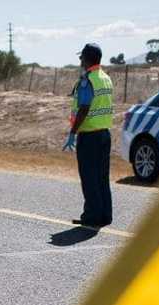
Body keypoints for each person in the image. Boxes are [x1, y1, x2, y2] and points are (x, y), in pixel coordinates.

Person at [63, 43, 114, 227]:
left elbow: (84, 108)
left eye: (81, 57)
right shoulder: (105, 78)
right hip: (104, 134)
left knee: (89, 177)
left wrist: (72, 132)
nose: (79, 60)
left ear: (86, 59)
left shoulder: (88, 80)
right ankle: (105, 215)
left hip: (89, 135)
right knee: (102, 177)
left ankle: (91, 217)